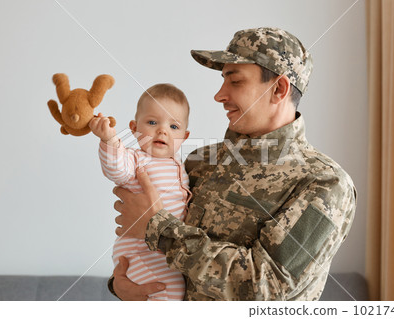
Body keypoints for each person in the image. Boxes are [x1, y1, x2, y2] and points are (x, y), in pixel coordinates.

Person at [108, 27, 357, 301]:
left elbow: (266, 287)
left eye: (235, 81)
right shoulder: (199, 161)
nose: (219, 95)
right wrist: (122, 286)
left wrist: (160, 229)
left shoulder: (325, 183)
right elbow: (148, 249)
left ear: (279, 89)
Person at [89, 83, 191, 301]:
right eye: (152, 122)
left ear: (185, 136)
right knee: (170, 290)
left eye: (174, 127)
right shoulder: (135, 159)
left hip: (163, 251)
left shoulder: (180, 165)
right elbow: (116, 169)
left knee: (169, 290)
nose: (162, 130)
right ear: (134, 128)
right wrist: (110, 140)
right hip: (139, 250)